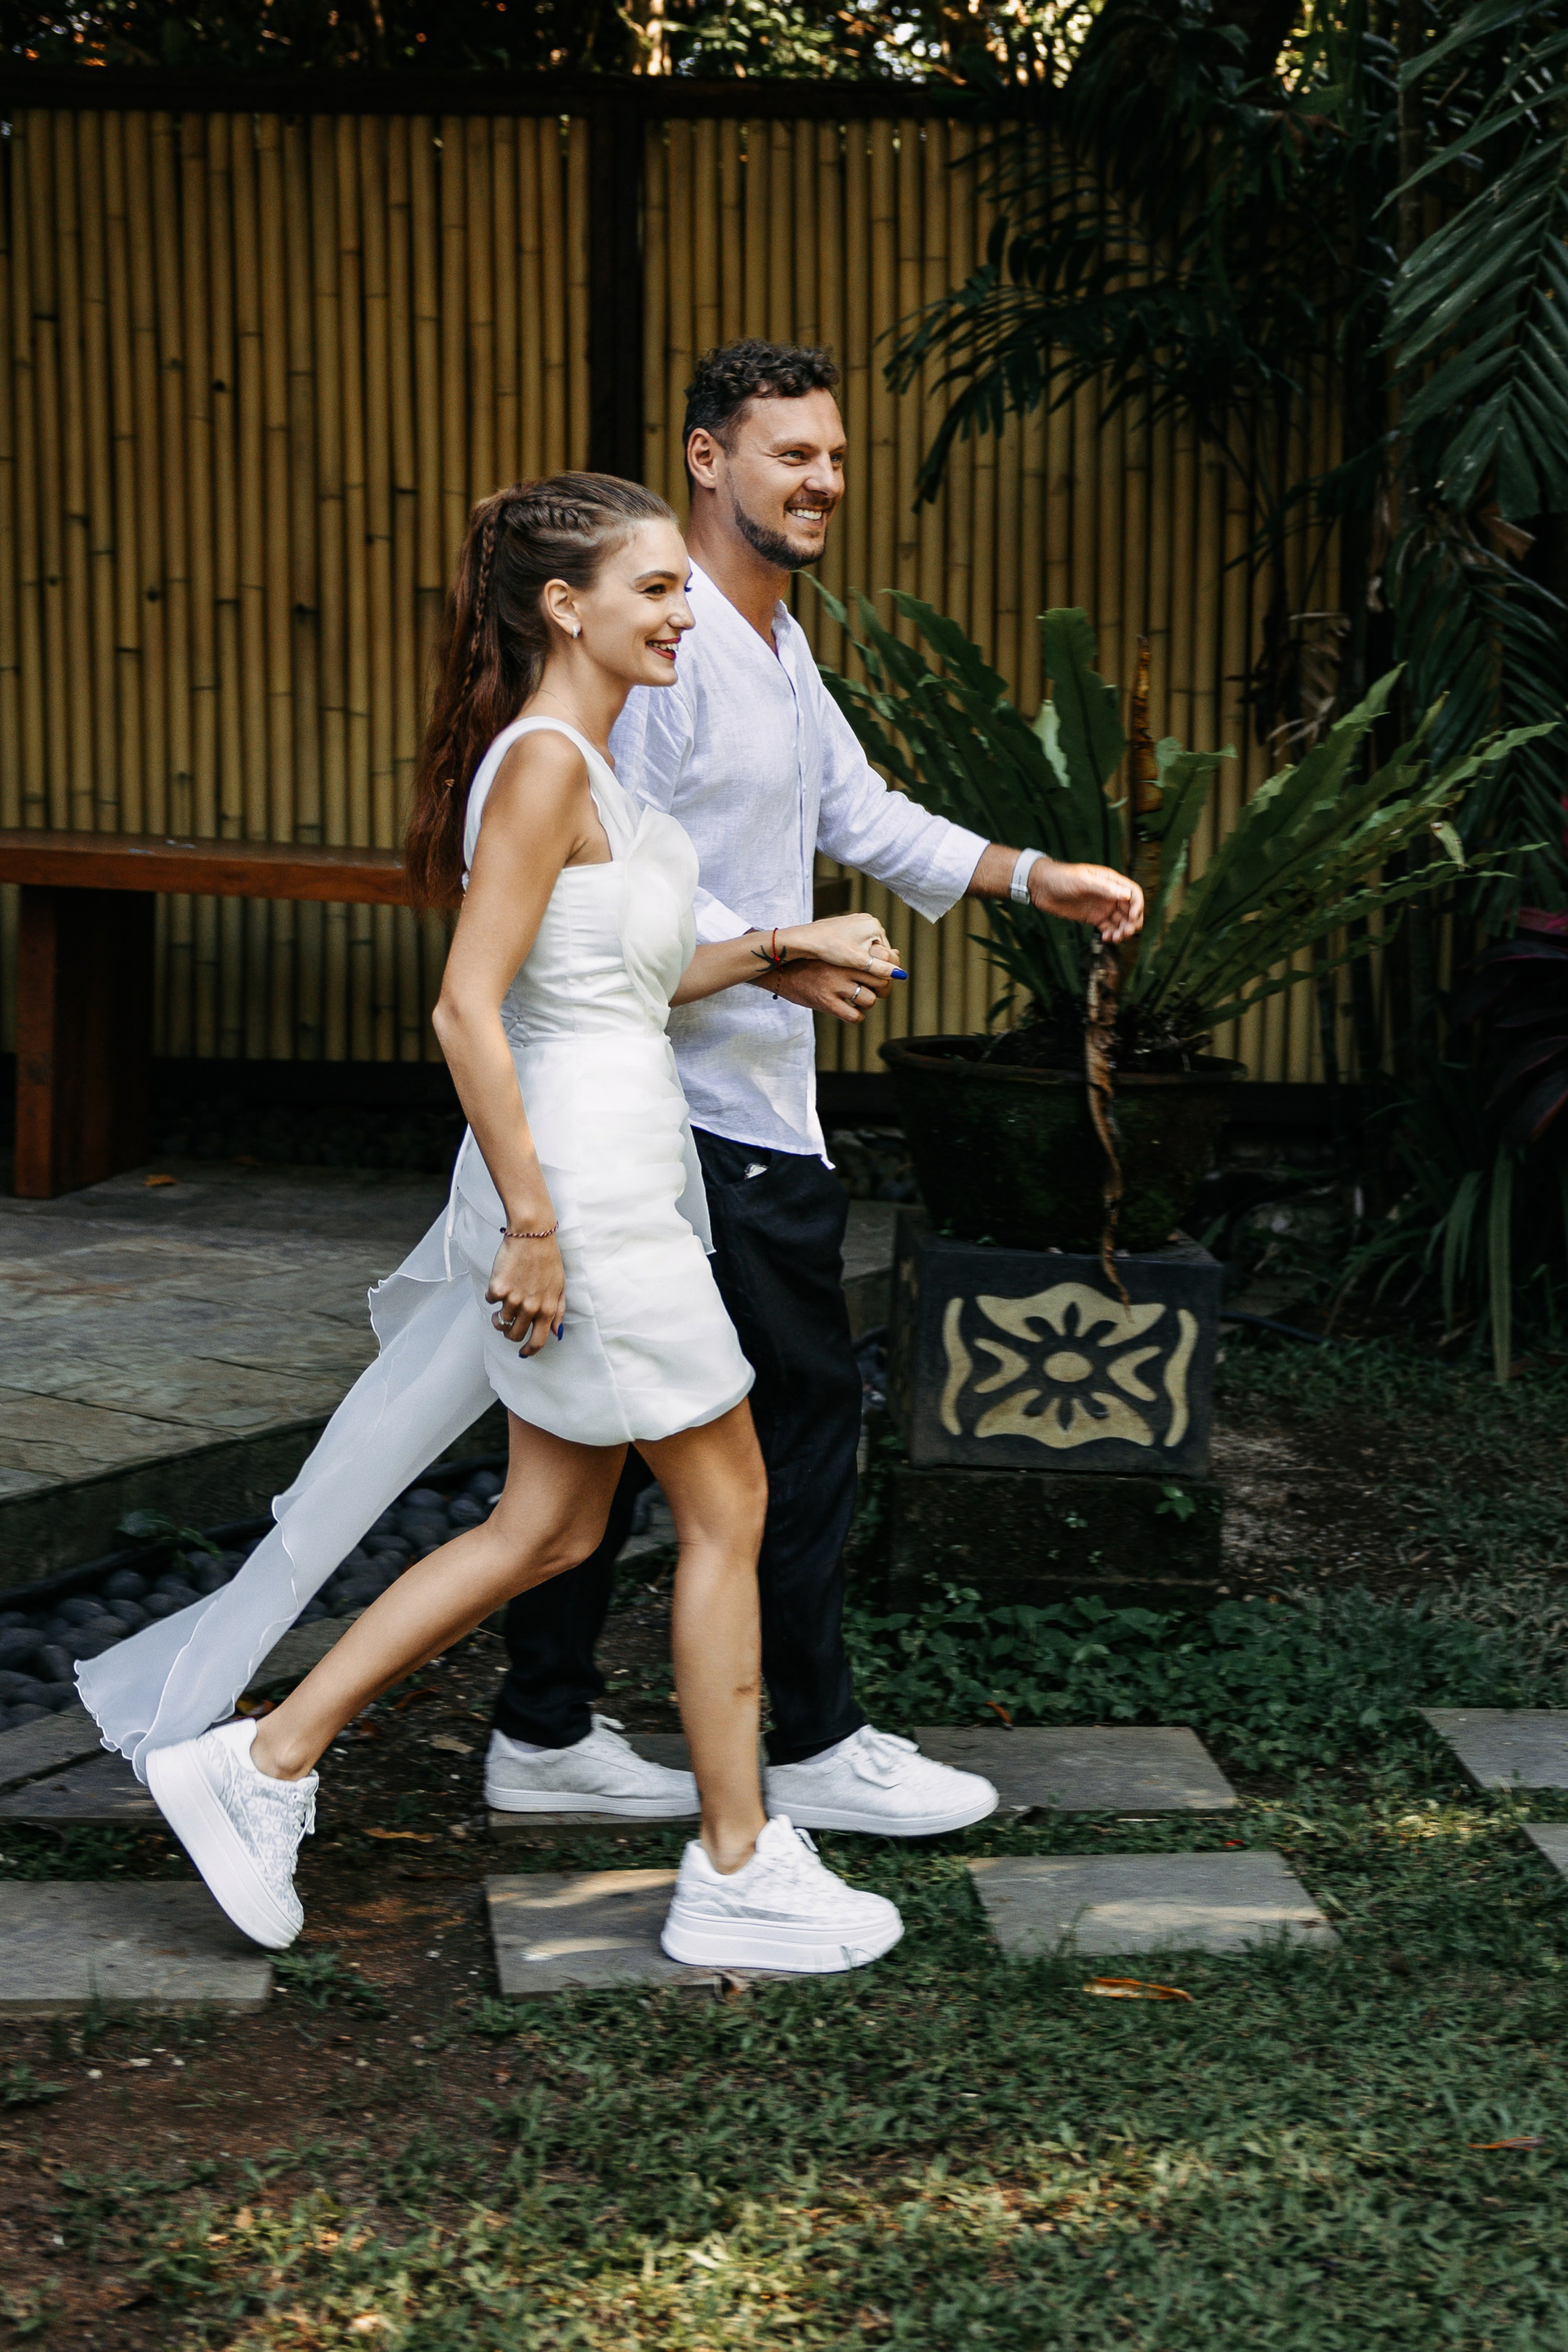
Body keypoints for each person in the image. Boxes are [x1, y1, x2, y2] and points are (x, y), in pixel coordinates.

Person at [77, 473, 915, 1977]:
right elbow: (468, 1007)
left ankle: (264, 1761)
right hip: (586, 1198)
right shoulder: (539, 765)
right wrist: (533, 1223)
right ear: (564, 607)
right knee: (728, 1505)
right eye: (656, 589)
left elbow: (610, 980)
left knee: (549, 1528)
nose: (684, 613)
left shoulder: (584, 764)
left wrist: (776, 947)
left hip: (616, 1173)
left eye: (681, 588)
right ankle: (736, 1865)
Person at [487, 341, 1144, 1837]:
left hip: (741, 1103)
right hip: (683, 1112)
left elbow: (864, 812)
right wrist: (774, 954)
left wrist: (1037, 876)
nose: (825, 480)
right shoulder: (663, 655)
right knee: (796, 1423)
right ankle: (814, 1742)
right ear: (707, 458)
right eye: (792, 453)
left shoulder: (772, 641)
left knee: (616, 1426)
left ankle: (544, 1726)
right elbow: (596, 890)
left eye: (836, 455)